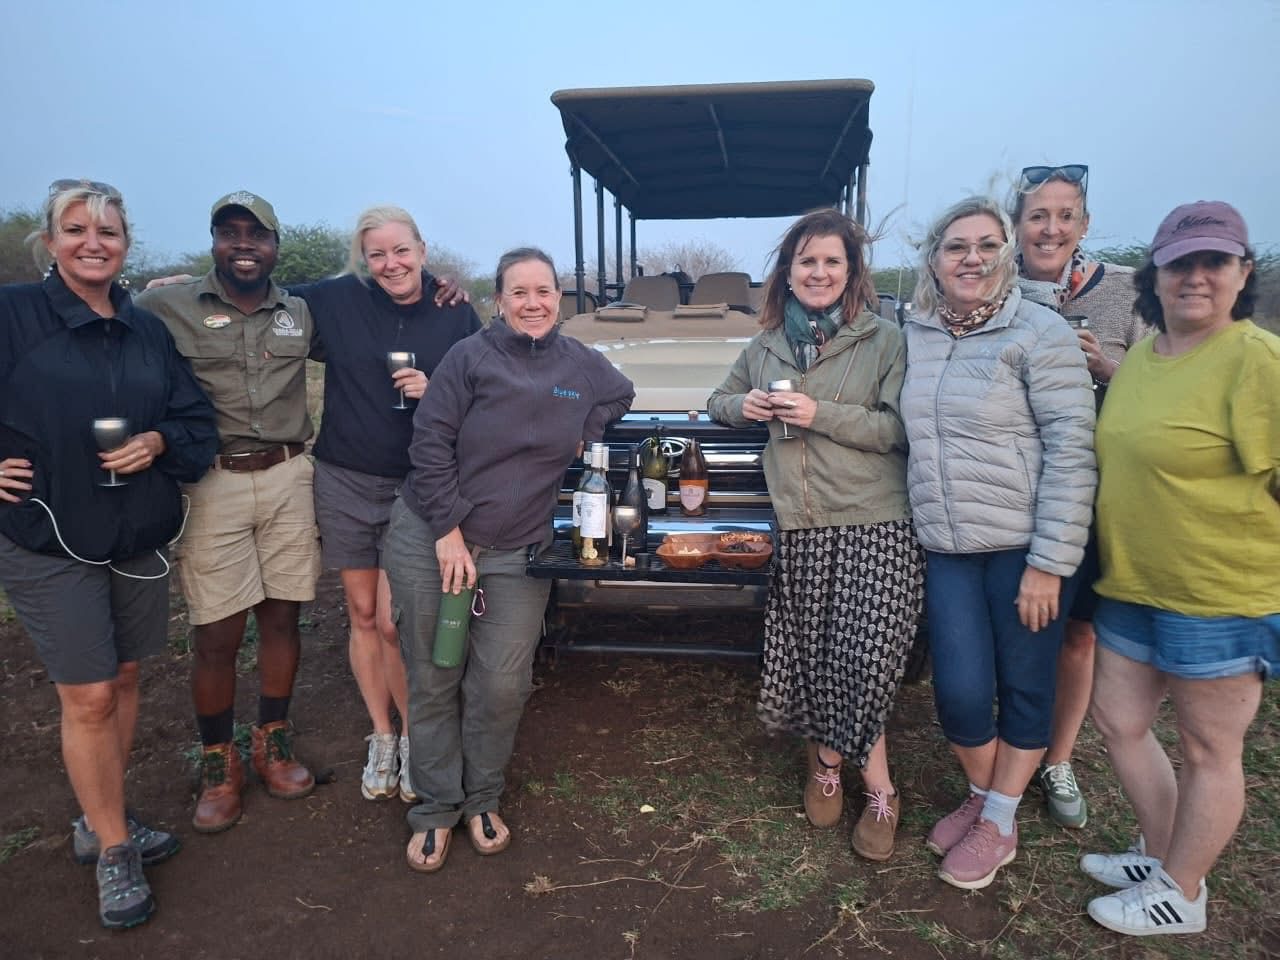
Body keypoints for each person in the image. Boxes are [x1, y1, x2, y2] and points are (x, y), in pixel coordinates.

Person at [0, 180, 217, 928]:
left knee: (124, 678)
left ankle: (101, 819)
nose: (93, 243)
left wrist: (157, 440)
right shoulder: (13, 315)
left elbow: (193, 422)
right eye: (76, 229)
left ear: (126, 245)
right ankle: (116, 850)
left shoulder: (144, 329)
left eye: (108, 232)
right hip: (48, 532)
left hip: (134, 531)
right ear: (49, 240)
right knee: (89, 695)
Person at [384, 247, 633, 872]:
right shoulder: (469, 357)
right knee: (434, 674)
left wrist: (588, 427)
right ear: (498, 300)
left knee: (501, 683)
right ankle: (436, 806)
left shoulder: (580, 363)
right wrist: (447, 530)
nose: (533, 303)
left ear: (559, 299)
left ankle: (482, 798)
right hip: (433, 537)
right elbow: (429, 441)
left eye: (543, 291)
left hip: (518, 547)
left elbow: (621, 394)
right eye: (518, 292)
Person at [1081, 201, 1277, 937]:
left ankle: (1183, 893)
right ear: (1154, 276)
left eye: (1214, 262)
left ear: (1242, 273)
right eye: (1180, 263)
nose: (1195, 277)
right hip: (1133, 583)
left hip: (1218, 592)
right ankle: (1161, 854)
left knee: (1207, 747)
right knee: (1120, 722)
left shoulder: (1255, 360)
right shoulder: (1143, 356)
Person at [707, 209, 923, 862]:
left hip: (875, 518)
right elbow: (718, 401)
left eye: (833, 261)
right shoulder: (765, 345)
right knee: (819, 657)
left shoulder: (886, 340)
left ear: (852, 272)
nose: (819, 272)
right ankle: (828, 766)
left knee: (868, 659)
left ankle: (871, 781)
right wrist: (742, 406)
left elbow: (897, 429)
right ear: (788, 272)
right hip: (801, 524)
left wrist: (818, 413)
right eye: (807, 261)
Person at [901, 196, 1095, 890]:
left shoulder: (1039, 332)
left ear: (1006, 254)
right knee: (957, 692)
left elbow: (1073, 450)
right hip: (948, 546)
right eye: (957, 247)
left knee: (1024, 685)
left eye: (987, 245)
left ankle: (999, 820)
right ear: (934, 259)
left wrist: (1049, 564)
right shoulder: (914, 334)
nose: (972, 259)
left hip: (1024, 547)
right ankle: (987, 797)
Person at [136, 191, 320, 834]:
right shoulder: (166, 305)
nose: (244, 244)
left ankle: (273, 740)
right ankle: (219, 760)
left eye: (256, 234)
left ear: (275, 245)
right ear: (214, 241)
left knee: (283, 616)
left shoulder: (299, 310)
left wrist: (438, 288)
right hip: (213, 481)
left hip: (290, 475)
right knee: (217, 631)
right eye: (230, 233)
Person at [290, 206, 482, 803]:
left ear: (422, 250)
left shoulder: (454, 310)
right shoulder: (336, 299)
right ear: (363, 259)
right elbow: (257, 294)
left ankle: (419, 737)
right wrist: (184, 288)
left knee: (397, 623)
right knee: (362, 614)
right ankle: (384, 735)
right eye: (377, 254)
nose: (391, 264)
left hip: (417, 484)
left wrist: (438, 390)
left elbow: (484, 388)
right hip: (346, 476)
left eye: (402, 251)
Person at [1010, 164, 1149, 830]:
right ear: (1017, 225)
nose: (1051, 228)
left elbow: (1157, 391)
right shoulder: (991, 284)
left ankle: (1057, 758)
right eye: (1038, 215)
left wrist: (1105, 368)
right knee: (1011, 629)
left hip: (1090, 493)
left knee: (1077, 634)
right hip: (1008, 489)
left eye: (1065, 215)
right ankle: (1006, 752)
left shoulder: (1125, 290)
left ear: (1085, 225)